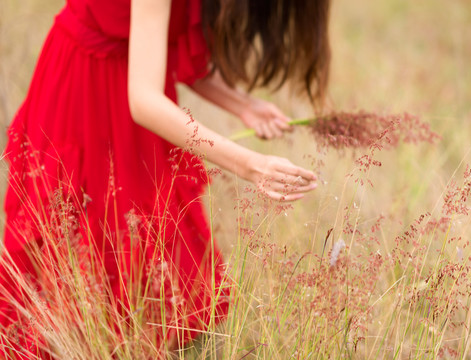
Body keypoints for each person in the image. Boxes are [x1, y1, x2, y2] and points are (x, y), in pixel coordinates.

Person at [0, 0, 330, 358]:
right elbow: (143, 101)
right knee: (89, 246)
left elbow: (161, 51)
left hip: (135, 88)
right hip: (86, 89)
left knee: (151, 243)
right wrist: (251, 165)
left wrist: (242, 105)